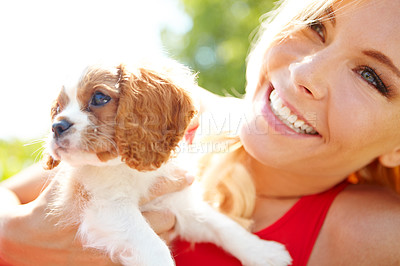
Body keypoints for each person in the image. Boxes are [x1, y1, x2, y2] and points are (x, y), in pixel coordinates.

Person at [1, 0, 400, 265]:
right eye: (315, 27)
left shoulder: (374, 232)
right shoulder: (175, 117)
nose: (304, 74)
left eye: (371, 77)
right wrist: (14, 236)